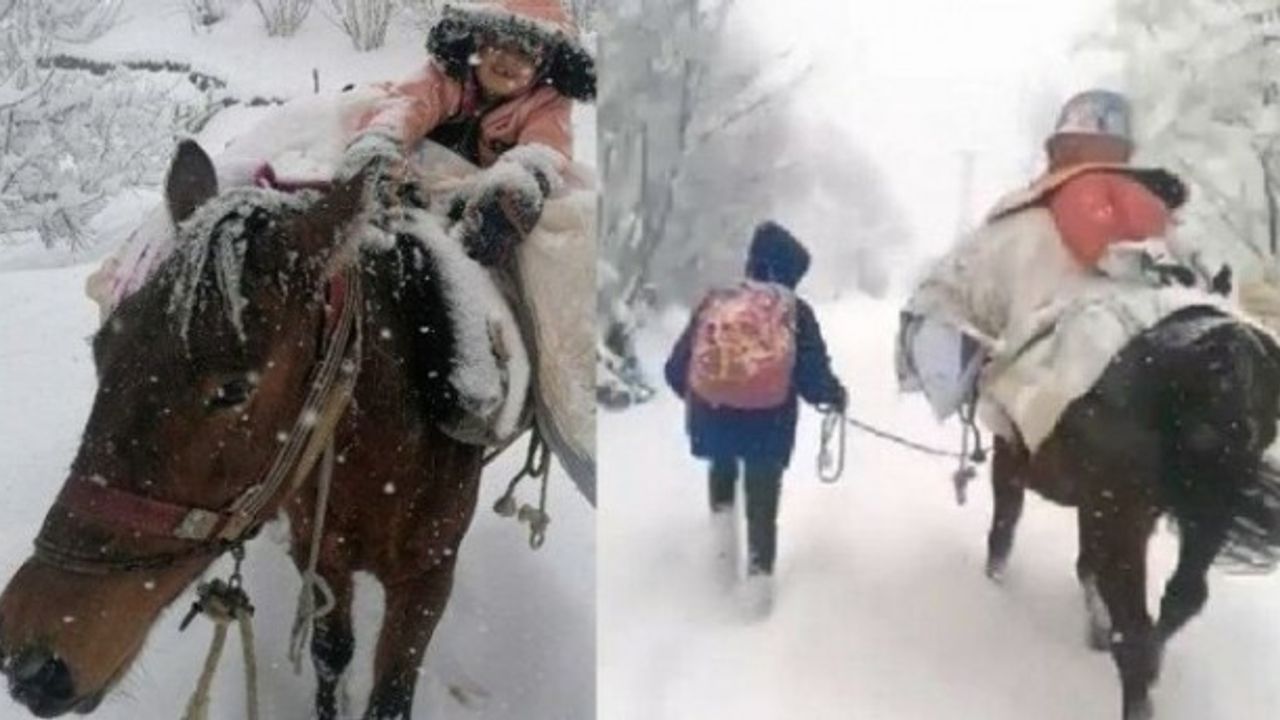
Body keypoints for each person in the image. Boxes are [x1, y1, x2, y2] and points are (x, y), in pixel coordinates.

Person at [900, 89, 1221, 459]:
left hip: (1064, 339)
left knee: (1020, 397)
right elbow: (1192, 267)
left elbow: (956, 293)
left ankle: (1022, 458)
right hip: (1164, 311)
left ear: (1059, 145)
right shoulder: (1155, 208)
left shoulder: (1018, 221)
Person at [665, 221, 847, 616]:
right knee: (763, 501)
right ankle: (757, 589)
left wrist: (709, 396)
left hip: (712, 417)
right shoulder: (795, 312)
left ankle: (719, 560)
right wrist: (835, 397)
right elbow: (814, 378)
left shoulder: (716, 301)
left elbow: (675, 370)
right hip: (770, 424)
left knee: (722, 472)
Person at [344, 0, 596, 265]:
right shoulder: (446, 74)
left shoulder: (546, 101)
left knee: (556, 235)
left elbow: (545, 147)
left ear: (545, 62)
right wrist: (382, 140)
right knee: (352, 124)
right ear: (476, 40)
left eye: (526, 50)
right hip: (415, 174)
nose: (507, 60)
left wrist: (516, 186)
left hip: (475, 194)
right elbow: (407, 106)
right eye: (498, 41)